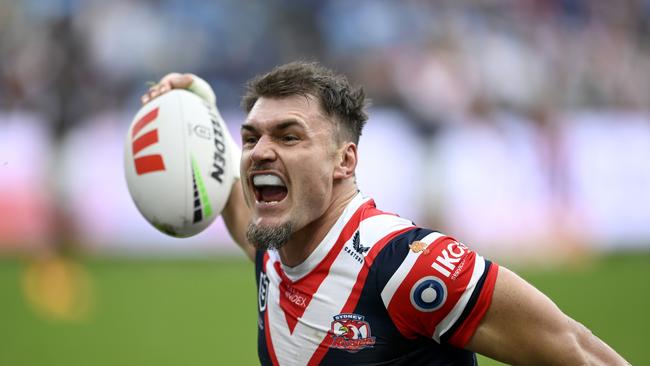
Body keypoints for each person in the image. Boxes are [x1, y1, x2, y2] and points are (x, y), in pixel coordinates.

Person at [141, 62, 630, 365]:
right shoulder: (275, 253)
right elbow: (229, 195)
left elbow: (579, 353)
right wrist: (197, 107)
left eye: (288, 136)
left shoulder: (405, 263)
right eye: (251, 138)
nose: (260, 152)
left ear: (344, 161)